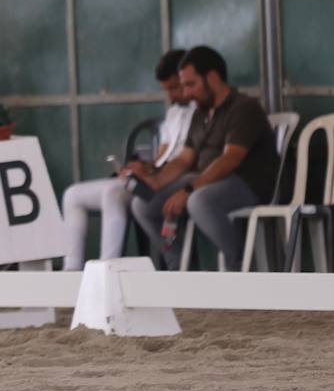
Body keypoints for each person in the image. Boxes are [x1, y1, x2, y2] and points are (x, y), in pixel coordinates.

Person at [129, 45, 279, 269]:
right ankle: (179, 267)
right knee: (143, 203)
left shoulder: (243, 107)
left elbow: (230, 160)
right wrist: (155, 182)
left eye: (191, 84)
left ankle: (239, 267)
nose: (186, 93)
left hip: (246, 183)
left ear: (213, 77)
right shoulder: (201, 113)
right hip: (205, 181)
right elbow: (184, 160)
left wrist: (188, 190)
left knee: (199, 201)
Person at [59, 49, 195, 270]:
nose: (172, 95)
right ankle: (71, 270)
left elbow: (186, 160)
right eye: (168, 90)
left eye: (175, 88)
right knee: (72, 195)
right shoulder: (174, 113)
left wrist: (154, 174)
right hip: (155, 176)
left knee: (112, 194)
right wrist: (144, 167)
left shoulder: (199, 113)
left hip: (171, 180)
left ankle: (107, 269)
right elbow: (162, 156)